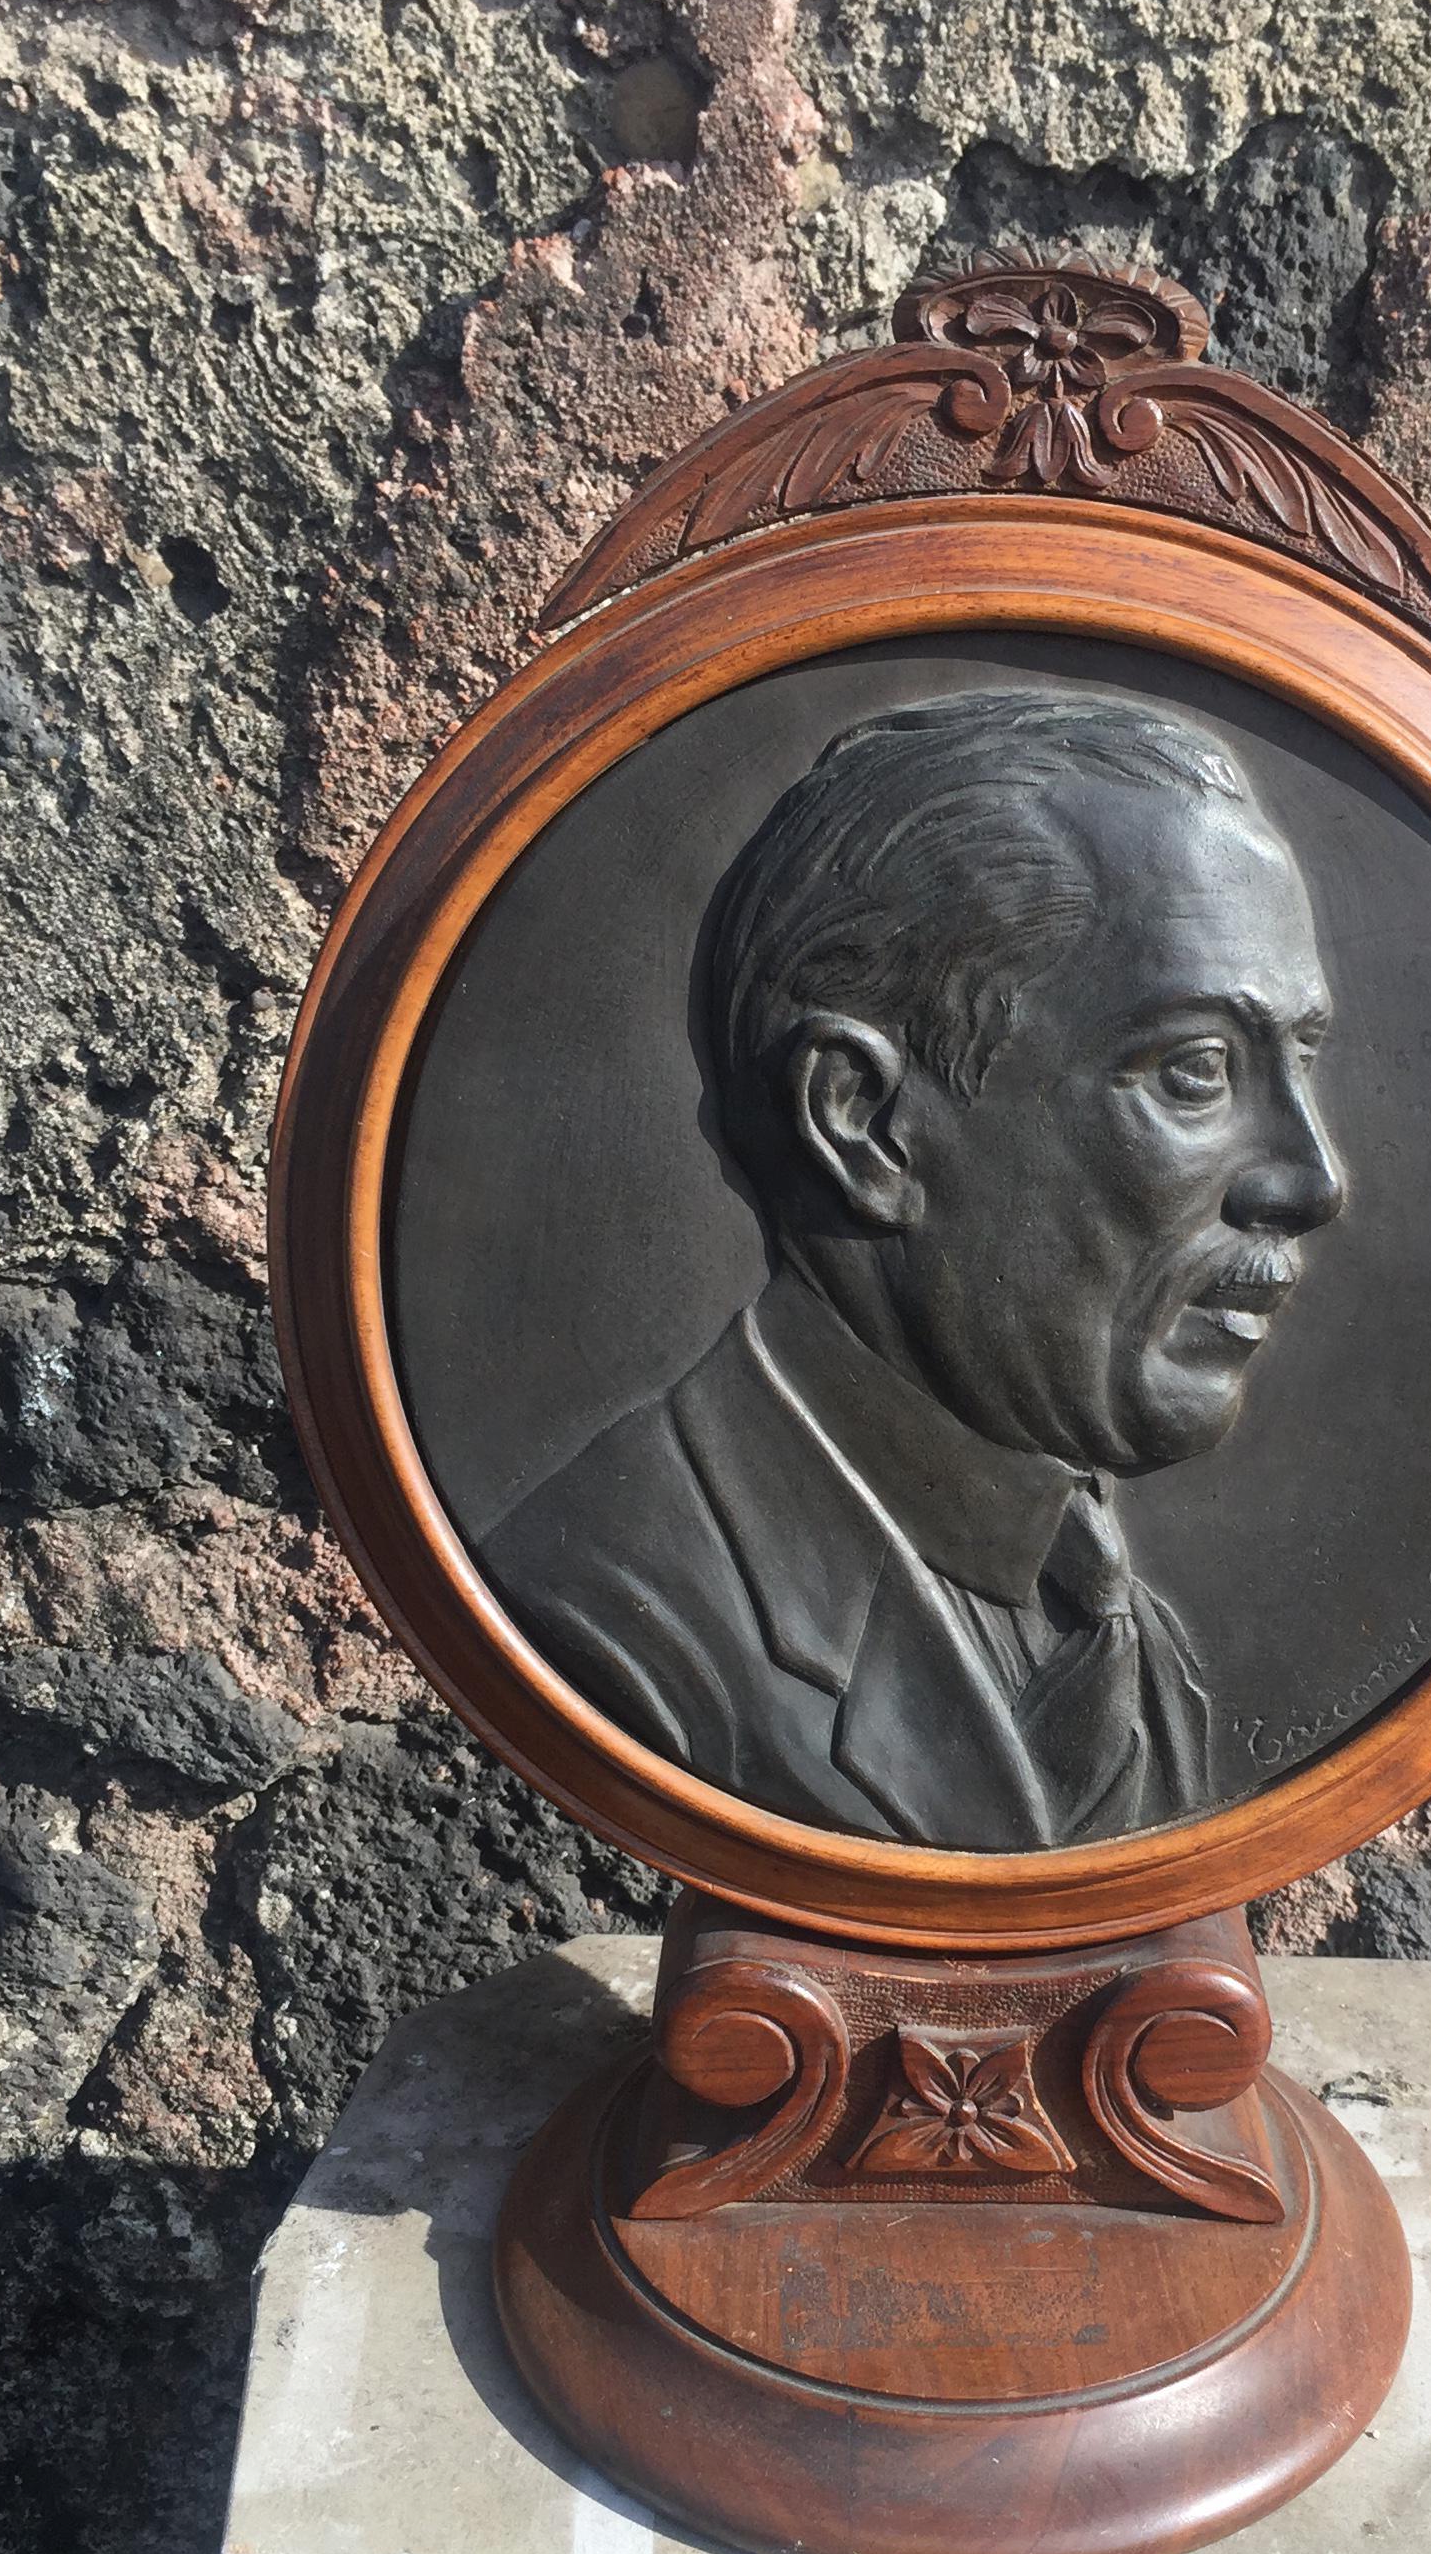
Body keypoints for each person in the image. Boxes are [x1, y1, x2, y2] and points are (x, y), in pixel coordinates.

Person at [481, 688, 1347, 1850]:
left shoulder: (1123, 1639)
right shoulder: (609, 1614)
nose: (1311, 1177)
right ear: (864, 1122)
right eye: (1195, 1071)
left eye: (1301, 1058)